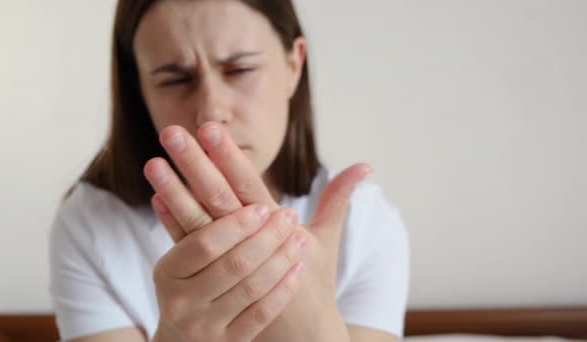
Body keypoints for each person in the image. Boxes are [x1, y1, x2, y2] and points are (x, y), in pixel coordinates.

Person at [48, 0, 409, 341]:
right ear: (139, 89)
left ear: (293, 65)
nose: (210, 112)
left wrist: (314, 331)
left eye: (240, 70)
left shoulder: (368, 227)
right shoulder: (89, 224)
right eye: (174, 80)